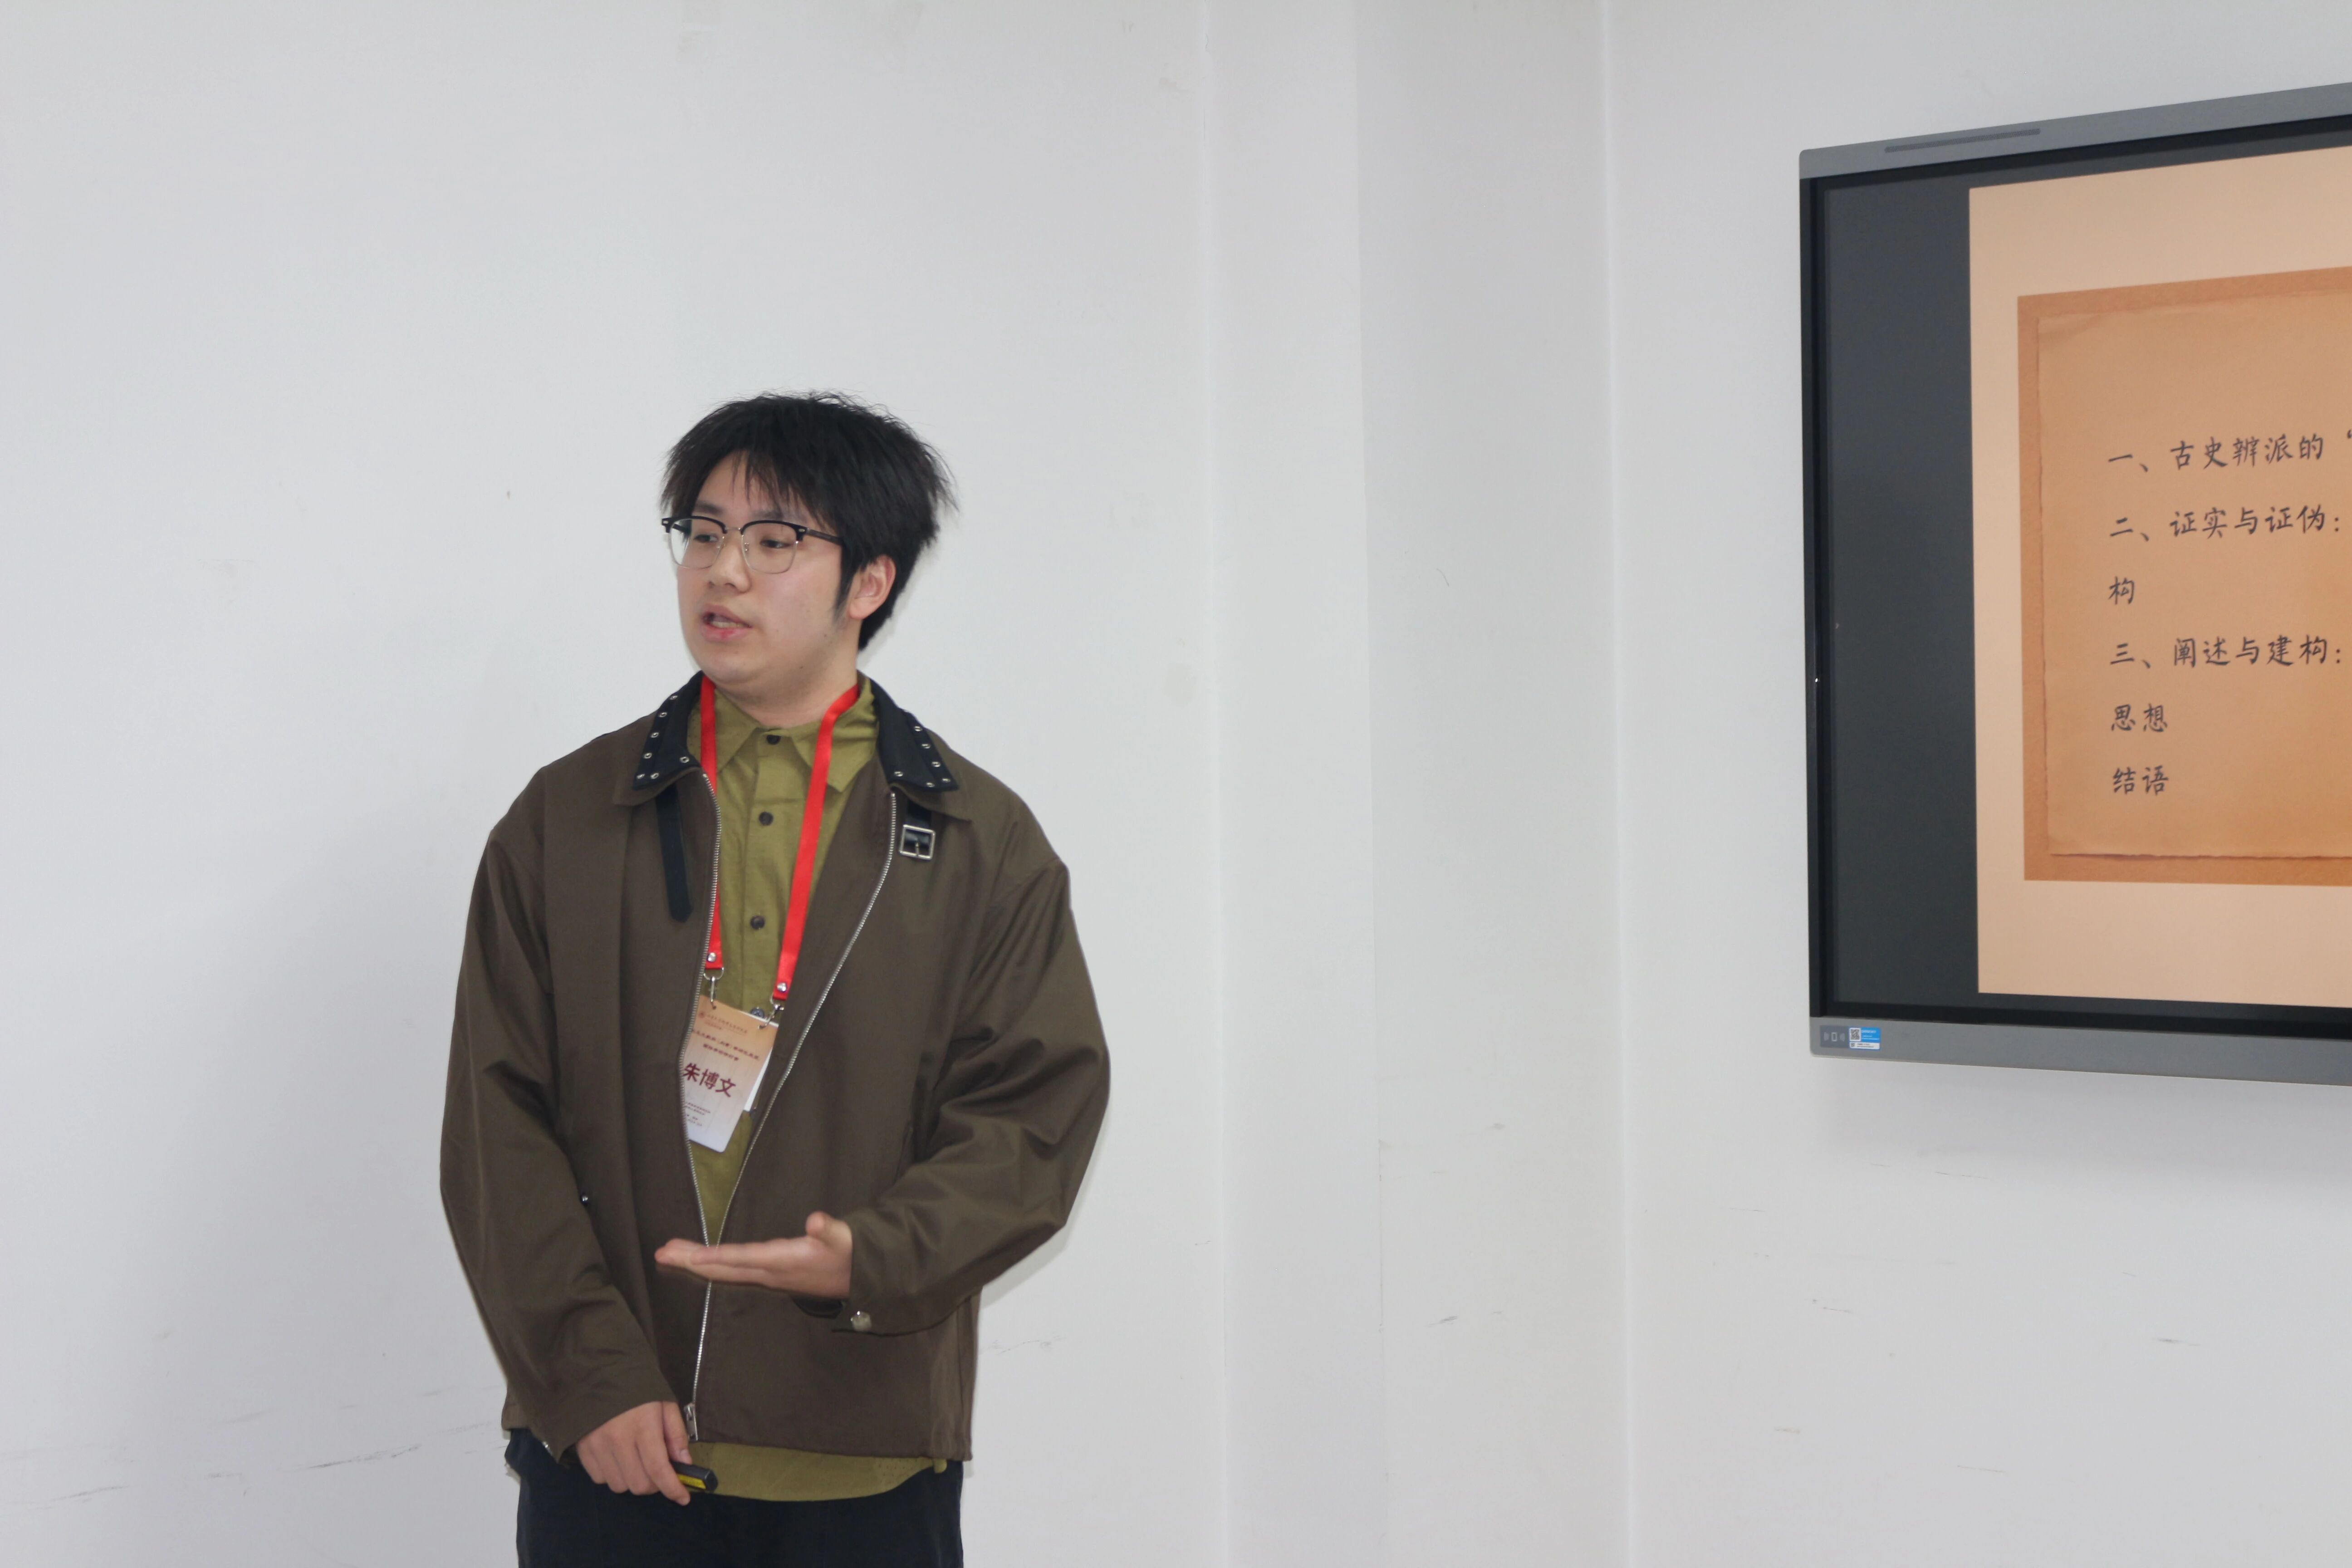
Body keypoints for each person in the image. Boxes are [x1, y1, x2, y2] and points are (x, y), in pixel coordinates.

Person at [440, 392, 1110, 1567]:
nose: (726, 570)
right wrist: (590, 1378)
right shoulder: (566, 819)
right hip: (614, 1449)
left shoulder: (978, 840)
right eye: (703, 533)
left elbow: (1032, 1118)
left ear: (870, 582)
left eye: (774, 539)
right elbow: (497, 1125)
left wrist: (872, 1256)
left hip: (862, 1451)